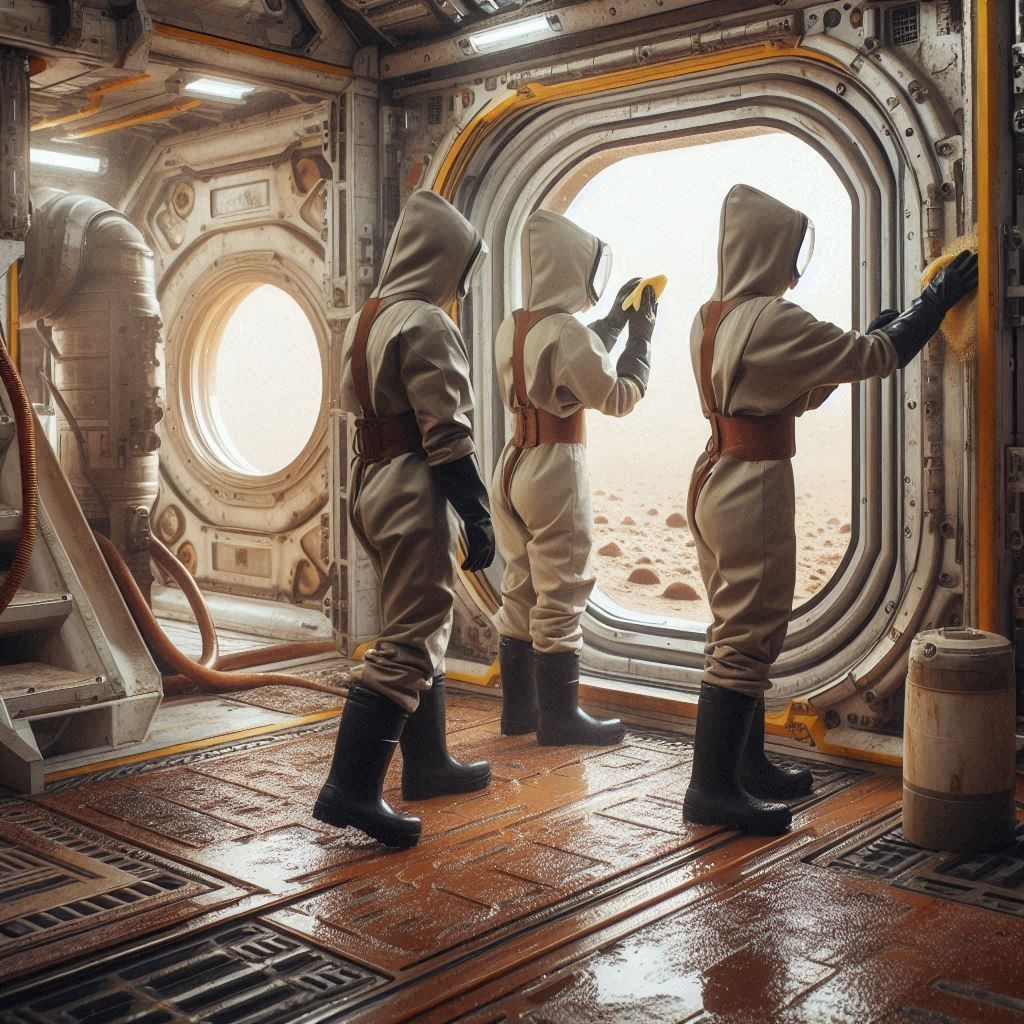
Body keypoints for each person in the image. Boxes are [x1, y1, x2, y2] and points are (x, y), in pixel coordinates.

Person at [684, 183, 978, 834]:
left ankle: (746, 765)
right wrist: (932, 302)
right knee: (749, 634)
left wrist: (864, 338)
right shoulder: (773, 317)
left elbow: (796, 388)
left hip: (715, 476)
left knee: (733, 626)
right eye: (790, 250)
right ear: (767, 249)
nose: (794, 266)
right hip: (754, 482)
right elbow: (881, 357)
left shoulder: (712, 317)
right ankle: (711, 792)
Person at [314, 191, 495, 848]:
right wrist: (478, 514)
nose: (460, 287)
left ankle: (429, 763)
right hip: (413, 482)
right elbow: (447, 433)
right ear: (443, 260)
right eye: (461, 270)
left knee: (419, 620)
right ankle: (352, 790)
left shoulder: (370, 317)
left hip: (368, 480)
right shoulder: (426, 322)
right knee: (412, 636)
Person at [491, 209, 658, 745]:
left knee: (519, 587)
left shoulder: (515, 324)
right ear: (571, 268)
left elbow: (567, 359)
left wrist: (609, 321)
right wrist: (641, 341)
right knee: (563, 588)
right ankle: (560, 720)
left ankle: (520, 712)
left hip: (512, 462)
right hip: (554, 467)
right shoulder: (567, 332)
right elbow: (614, 395)